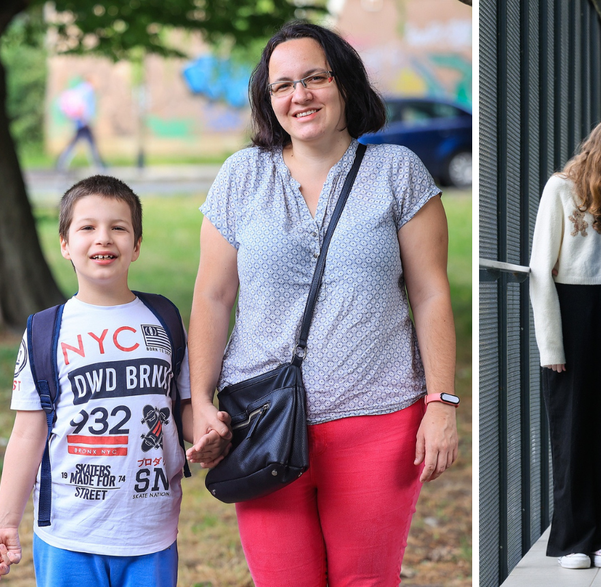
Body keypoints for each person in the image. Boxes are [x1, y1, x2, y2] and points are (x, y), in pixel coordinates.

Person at [184, 22, 459, 585]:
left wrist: (442, 402)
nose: (299, 95)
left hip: (378, 419)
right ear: (268, 100)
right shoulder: (242, 175)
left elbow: (431, 293)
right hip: (259, 421)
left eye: (314, 78)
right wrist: (198, 400)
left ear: (345, 83)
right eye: (282, 85)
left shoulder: (397, 171)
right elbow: (213, 296)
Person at [0, 175, 200, 585]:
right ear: (65, 244)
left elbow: (183, 410)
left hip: (149, 531)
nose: (104, 238)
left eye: (118, 227)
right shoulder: (45, 331)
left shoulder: (165, 319)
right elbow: (28, 435)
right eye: (87, 227)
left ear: (135, 245)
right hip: (68, 532)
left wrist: (212, 432)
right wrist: (5, 522)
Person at [528, 113, 601, 569]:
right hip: (570, 317)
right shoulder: (559, 188)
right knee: (572, 431)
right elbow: (541, 271)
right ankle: (571, 539)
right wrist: (551, 346)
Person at [56, 77, 106, 171]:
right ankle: (99, 166)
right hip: (83, 122)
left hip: (80, 122)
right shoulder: (87, 91)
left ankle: (61, 163)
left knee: (81, 145)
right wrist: (86, 120)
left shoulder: (80, 90)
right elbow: (84, 108)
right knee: (88, 145)